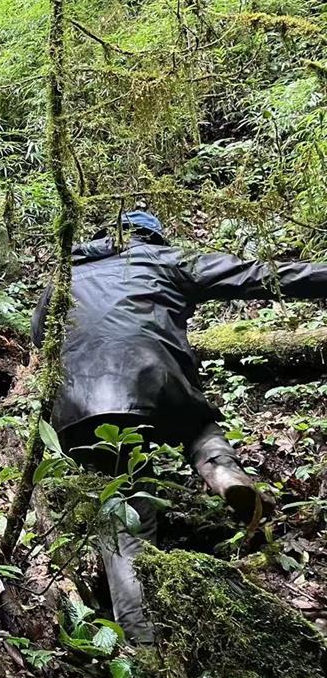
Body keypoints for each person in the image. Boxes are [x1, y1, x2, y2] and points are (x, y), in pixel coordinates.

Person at [32, 210, 327, 643]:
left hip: (75, 406)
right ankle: (222, 472)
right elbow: (257, 274)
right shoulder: (163, 259)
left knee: (123, 517)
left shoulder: (65, 275)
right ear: (152, 237)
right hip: (156, 381)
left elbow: (41, 337)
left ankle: (141, 639)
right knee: (198, 427)